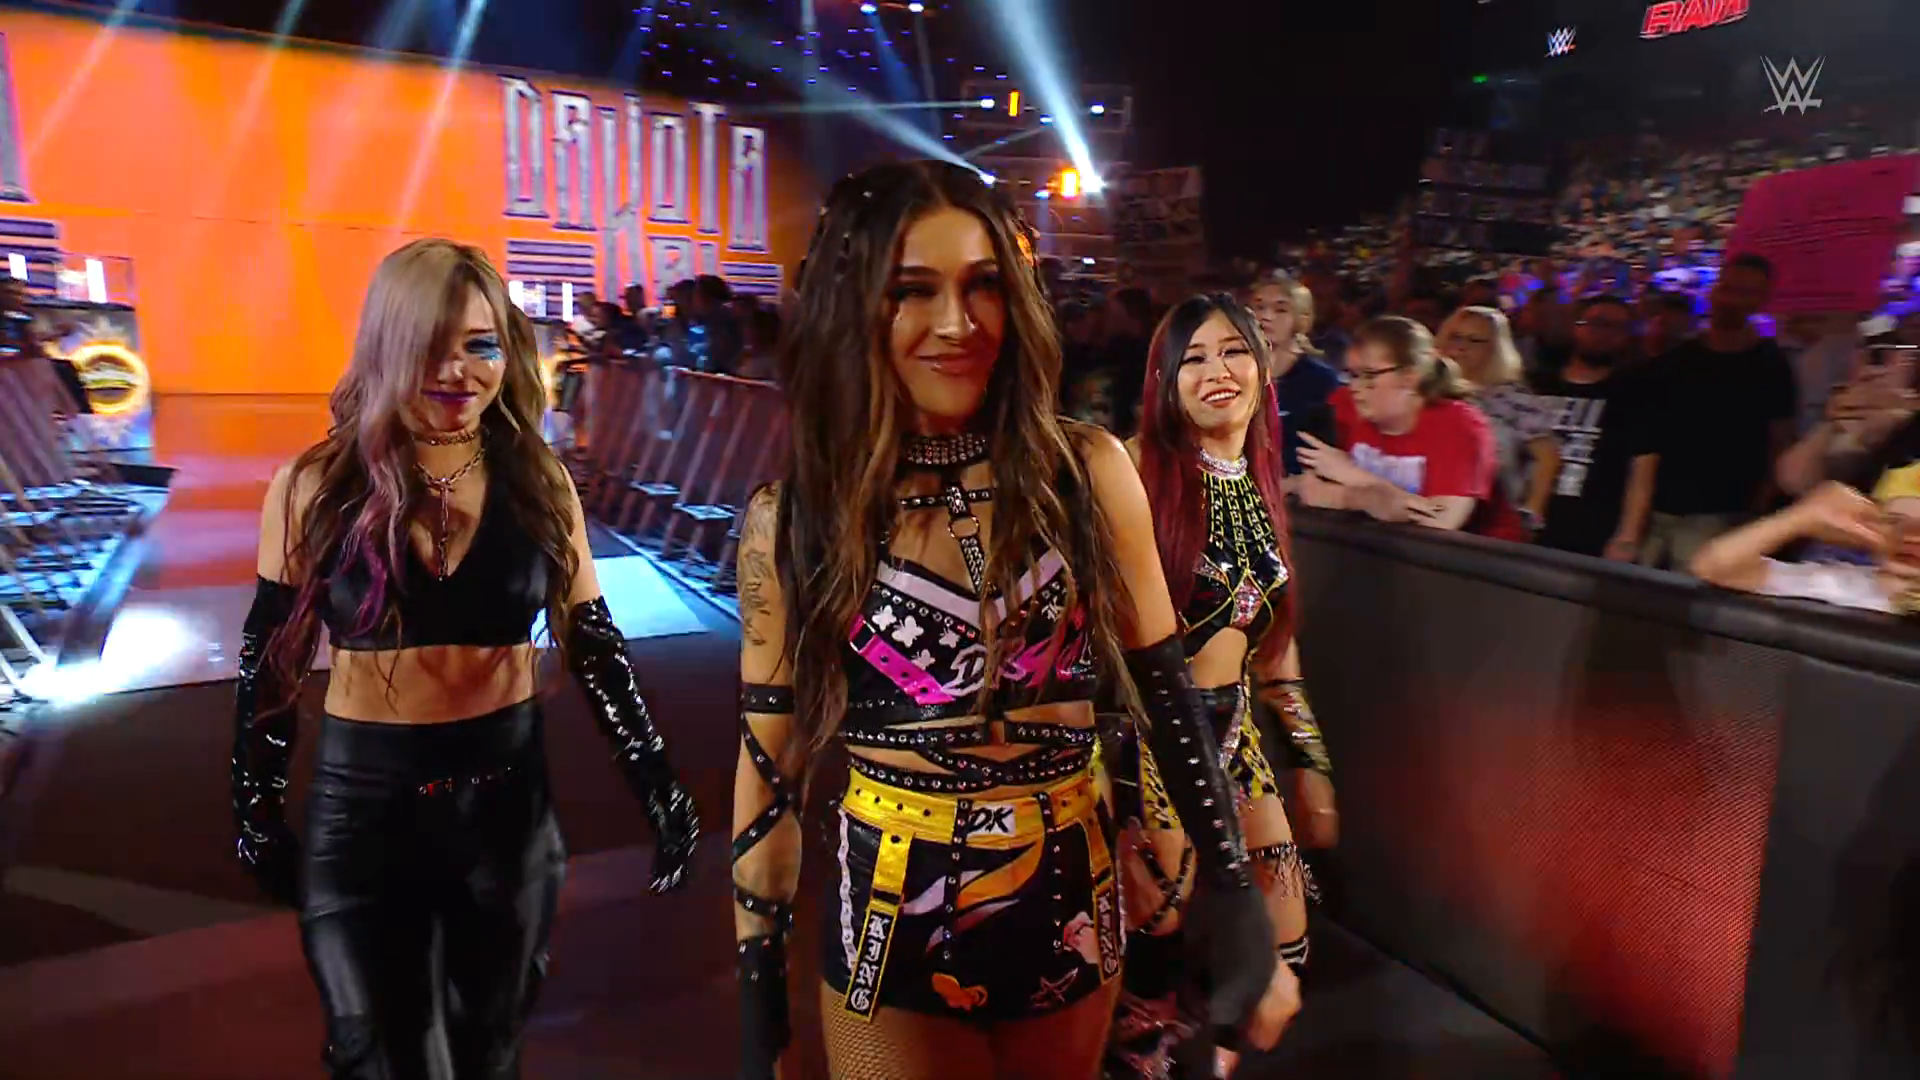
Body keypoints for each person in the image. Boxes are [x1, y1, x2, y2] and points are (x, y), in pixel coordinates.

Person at [728, 162, 1277, 1080]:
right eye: (913, 290)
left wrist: (1234, 889)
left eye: (984, 284)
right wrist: (758, 1009)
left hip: (1071, 908)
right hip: (890, 933)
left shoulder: (1087, 472)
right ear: (851, 306)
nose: (957, 323)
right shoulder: (793, 520)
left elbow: (1167, 696)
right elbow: (768, 767)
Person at [231, 239, 700, 1078]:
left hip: (506, 812)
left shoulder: (540, 480)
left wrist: (653, 775)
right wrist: (254, 802)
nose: (459, 370)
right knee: (384, 1056)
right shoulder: (313, 486)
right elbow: (271, 660)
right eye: (431, 345)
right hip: (366, 814)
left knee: (489, 1057)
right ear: (388, 345)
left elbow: (593, 640)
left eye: (481, 345)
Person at [1109, 295, 1322, 1079]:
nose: (1216, 371)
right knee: (1158, 936)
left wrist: (1312, 763)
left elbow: (1277, 655)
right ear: (1164, 380)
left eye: (1232, 350)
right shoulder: (1133, 471)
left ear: (1261, 367)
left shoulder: (1263, 483)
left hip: (1237, 737)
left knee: (1284, 941)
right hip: (1153, 738)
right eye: (1192, 358)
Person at [1625, 253, 1796, 570]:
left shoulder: (1771, 365)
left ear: (1762, 300)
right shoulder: (1674, 360)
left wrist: (1760, 507)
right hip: (1657, 509)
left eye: (1746, 292)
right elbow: (1648, 444)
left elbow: (1780, 441)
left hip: (1723, 514)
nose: (1732, 300)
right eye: (1728, 288)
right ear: (1714, 291)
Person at [1297, 316, 1523, 539]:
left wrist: (1353, 484)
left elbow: (1440, 521)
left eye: (1369, 375)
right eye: (1352, 375)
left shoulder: (1460, 424)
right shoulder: (1345, 404)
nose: (1355, 387)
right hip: (1379, 544)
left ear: (1410, 378)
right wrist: (1365, 498)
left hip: (1479, 554)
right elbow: (1314, 491)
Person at [1690, 475, 1920, 615]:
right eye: (1894, 521)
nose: (1911, 536)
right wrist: (1800, 518)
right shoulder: (1839, 584)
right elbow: (1713, 566)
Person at [1434, 305, 1559, 537]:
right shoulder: (1429, 390)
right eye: (1455, 337)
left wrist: (1531, 513)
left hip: (1493, 521)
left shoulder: (1513, 397)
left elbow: (1547, 458)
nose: (1461, 347)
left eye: (1475, 340)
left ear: (1495, 348)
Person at [1243, 269, 1339, 478]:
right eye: (1259, 307)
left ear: (1302, 320)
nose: (1266, 316)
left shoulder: (1321, 380)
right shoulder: (1234, 372)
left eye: (1280, 310)